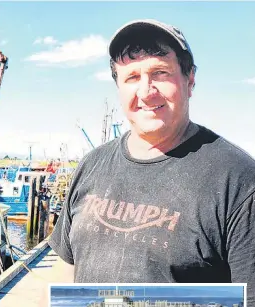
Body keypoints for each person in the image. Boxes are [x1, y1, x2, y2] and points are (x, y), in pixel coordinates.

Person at [48, 19, 255, 304]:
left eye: (160, 72)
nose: (146, 91)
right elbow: (66, 270)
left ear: (190, 80)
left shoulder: (239, 180)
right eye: (132, 77)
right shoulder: (91, 165)